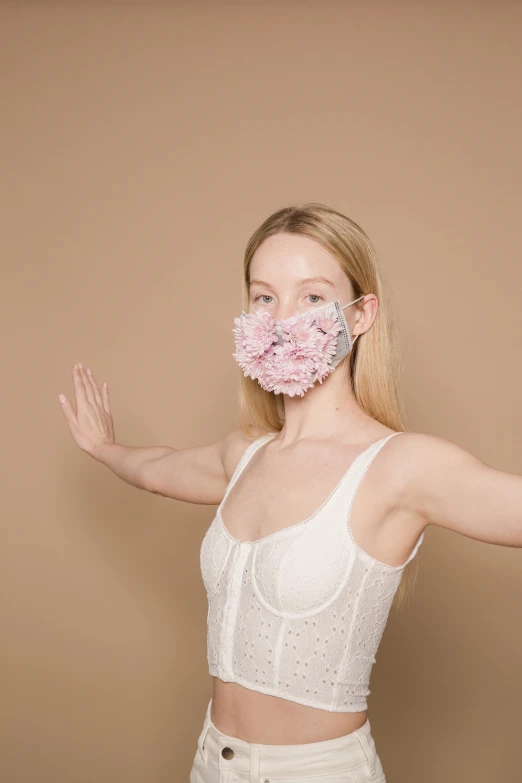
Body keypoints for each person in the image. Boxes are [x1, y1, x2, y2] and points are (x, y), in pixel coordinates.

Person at [58, 203, 522, 782]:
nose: (283, 319)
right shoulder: (246, 454)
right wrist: (104, 449)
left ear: (360, 315)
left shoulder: (400, 467)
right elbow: (157, 468)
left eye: (312, 296)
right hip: (212, 763)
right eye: (264, 297)